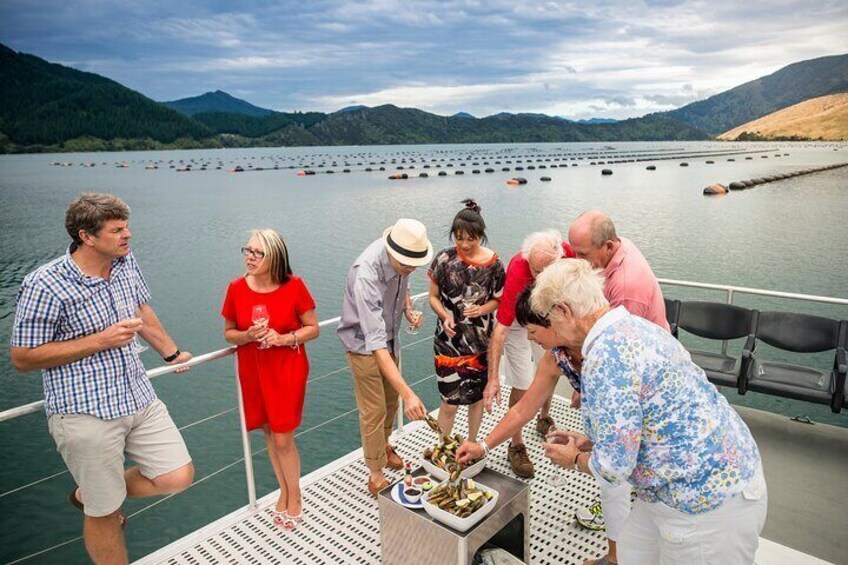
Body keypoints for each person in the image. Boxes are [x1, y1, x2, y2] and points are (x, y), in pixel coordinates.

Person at [459, 259, 767, 564]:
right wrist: (590, 441)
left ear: (564, 312)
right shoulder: (630, 326)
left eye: (548, 321)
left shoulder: (607, 358)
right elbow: (647, 415)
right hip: (666, 491)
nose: (541, 331)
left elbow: (614, 467)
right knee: (632, 553)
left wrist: (574, 459)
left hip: (705, 500)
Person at [10, 193, 194, 565]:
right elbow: (23, 358)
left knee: (177, 476)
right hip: (84, 412)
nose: (128, 235)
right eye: (117, 229)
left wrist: (171, 353)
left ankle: (89, 494)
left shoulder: (124, 262)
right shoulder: (44, 284)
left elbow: (141, 306)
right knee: (105, 512)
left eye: (126, 226)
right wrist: (101, 340)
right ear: (87, 236)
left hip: (138, 395)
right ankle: (97, 499)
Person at [221, 229, 319, 530]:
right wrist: (248, 335)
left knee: (282, 436)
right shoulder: (236, 288)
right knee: (267, 432)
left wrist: (283, 338)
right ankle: (284, 490)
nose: (249, 257)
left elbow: (312, 328)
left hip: (286, 367)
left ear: (274, 256)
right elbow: (228, 333)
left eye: (257, 252)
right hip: (253, 368)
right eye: (247, 250)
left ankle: (296, 496)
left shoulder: (294, 286)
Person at [337, 218, 430, 497]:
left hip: (390, 337)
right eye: (406, 265)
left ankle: (384, 445)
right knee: (374, 409)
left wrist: (407, 309)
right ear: (391, 253)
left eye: (415, 264)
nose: (410, 269)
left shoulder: (403, 254)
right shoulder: (366, 273)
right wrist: (410, 394)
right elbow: (374, 343)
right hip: (362, 343)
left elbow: (403, 284)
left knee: (390, 403)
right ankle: (375, 473)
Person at [484, 229, 575, 478]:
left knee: (552, 365)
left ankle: (544, 418)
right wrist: (493, 379)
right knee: (524, 382)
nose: (538, 276)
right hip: (516, 321)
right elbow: (500, 331)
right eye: (535, 271)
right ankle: (516, 444)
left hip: (545, 312)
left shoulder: (568, 254)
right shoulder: (518, 270)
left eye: (544, 272)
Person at [427, 199, 505, 443]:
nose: (464, 244)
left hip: (480, 344)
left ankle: (471, 444)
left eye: (471, 238)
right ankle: (442, 447)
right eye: (459, 238)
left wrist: (481, 309)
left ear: (481, 236)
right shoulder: (443, 259)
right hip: (447, 342)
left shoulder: (494, 264)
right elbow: (432, 297)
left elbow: (498, 301)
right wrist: (444, 315)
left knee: (476, 398)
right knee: (449, 402)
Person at [567, 210, 668, 331]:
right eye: (575, 252)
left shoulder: (626, 289)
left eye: (583, 254)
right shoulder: (620, 245)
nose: (578, 260)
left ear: (608, 247)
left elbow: (620, 337)